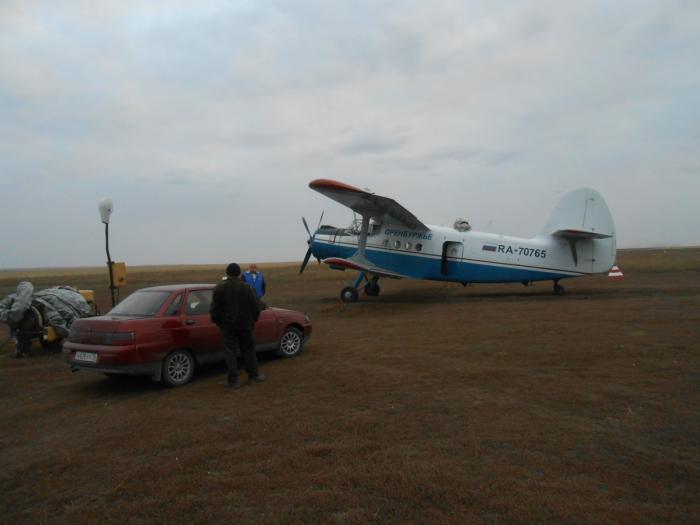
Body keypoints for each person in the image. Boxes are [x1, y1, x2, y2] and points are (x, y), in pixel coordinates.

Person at [210, 263, 265, 389]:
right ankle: (253, 376)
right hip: (246, 325)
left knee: (230, 352)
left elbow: (214, 310)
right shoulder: (247, 288)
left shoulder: (219, 288)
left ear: (227, 273)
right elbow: (256, 307)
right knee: (249, 350)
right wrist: (253, 320)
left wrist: (219, 322)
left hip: (227, 326)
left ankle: (233, 381)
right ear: (239, 273)